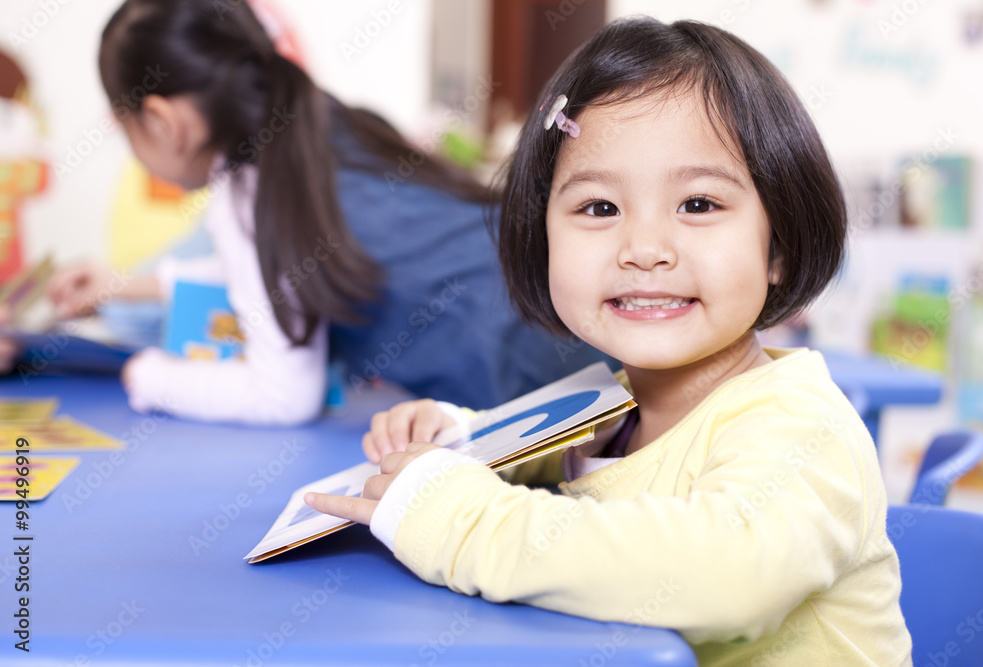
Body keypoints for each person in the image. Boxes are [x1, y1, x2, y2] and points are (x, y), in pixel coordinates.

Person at [304, 18, 912, 665]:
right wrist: (461, 435)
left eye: (699, 204)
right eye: (599, 208)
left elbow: (726, 570)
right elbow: (550, 452)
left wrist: (461, 520)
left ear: (779, 246)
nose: (644, 249)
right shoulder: (615, 409)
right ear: (543, 242)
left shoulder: (802, 426)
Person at [46, 0, 605, 425]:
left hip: (536, 399)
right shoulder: (321, 127)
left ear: (164, 123)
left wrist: (147, 376)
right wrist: (125, 286)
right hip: (588, 337)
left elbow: (286, 396)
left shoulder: (250, 198)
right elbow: (279, 274)